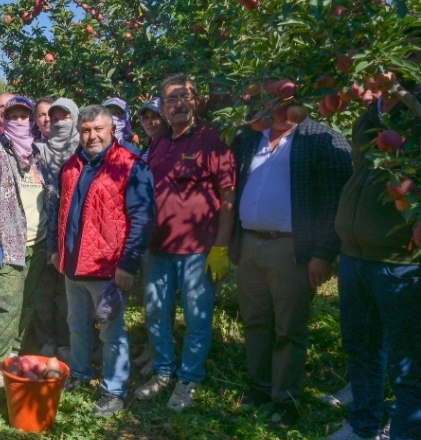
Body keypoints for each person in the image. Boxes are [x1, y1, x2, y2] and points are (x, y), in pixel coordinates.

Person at [231, 100, 352, 430]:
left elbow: (335, 201)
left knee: (288, 327)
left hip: (290, 248)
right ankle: (259, 388)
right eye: (269, 98)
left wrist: (324, 253)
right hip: (250, 244)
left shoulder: (321, 139)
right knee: (255, 320)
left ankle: (285, 400)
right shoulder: (250, 137)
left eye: (284, 99)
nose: (275, 107)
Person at [135, 74, 236, 413]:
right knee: (156, 312)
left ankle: (189, 378)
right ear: (162, 107)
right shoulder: (159, 142)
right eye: (170, 99)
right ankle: (164, 372)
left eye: (184, 96)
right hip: (158, 248)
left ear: (196, 100)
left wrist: (221, 247)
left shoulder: (213, 140)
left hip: (197, 249)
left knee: (196, 317)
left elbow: (228, 196)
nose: (177, 104)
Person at [329, 79, 421, 439]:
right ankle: (363, 424)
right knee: (361, 348)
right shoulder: (369, 117)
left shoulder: (414, 115)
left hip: (400, 260)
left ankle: (404, 431)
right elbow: (361, 172)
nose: (354, 82)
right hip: (355, 255)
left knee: (406, 361)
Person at [52, 104, 155, 417]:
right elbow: (59, 211)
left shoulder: (130, 164)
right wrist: (56, 248)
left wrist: (128, 264)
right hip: (73, 265)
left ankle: (114, 390)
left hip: (107, 268)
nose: (91, 135)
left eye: (98, 129)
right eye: (85, 130)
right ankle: (81, 375)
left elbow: (142, 218)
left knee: (111, 332)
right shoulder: (71, 165)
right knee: (77, 326)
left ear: (112, 129)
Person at [0, 96, 55, 390]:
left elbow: (49, 197)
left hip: (38, 242)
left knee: (27, 303)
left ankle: (13, 352)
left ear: (32, 119)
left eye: (25, 115)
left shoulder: (37, 153)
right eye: (14, 115)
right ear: (3, 118)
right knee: (4, 306)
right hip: (6, 244)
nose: (20, 120)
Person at [32, 97, 80, 363]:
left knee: (68, 293)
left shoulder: (82, 150)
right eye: (51, 116)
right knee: (43, 290)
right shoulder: (37, 151)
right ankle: (47, 339)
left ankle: (67, 340)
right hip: (41, 230)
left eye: (65, 117)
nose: (56, 122)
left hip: (72, 233)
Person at [135, 97, 167, 162]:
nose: (149, 122)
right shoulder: (146, 149)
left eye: (155, 116)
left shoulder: (171, 148)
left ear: (165, 119)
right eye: (145, 117)